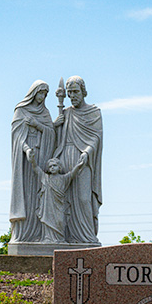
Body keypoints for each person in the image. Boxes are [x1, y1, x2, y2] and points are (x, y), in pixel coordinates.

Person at [52, 76, 102, 244]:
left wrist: (87, 152)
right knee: (65, 199)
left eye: (76, 92)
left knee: (83, 198)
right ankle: (67, 235)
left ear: (83, 92)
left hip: (84, 159)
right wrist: (55, 124)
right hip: (65, 155)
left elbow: (96, 137)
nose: (73, 96)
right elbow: (55, 138)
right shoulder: (66, 113)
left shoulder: (94, 112)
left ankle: (87, 237)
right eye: (70, 93)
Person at [9, 80, 56, 243]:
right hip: (26, 159)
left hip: (41, 157)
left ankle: (40, 232)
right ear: (33, 92)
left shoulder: (45, 112)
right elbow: (17, 137)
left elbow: (51, 133)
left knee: (39, 195)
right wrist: (26, 148)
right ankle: (23, 234)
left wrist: (37, 124)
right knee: (27, 194)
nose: (42, 97)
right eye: (40, 93)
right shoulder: (21, 110)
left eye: (45, 94)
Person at [29, 154, 85, 243]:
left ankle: (60, 239)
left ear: (59, 167)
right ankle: (48, 238)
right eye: (50, 166)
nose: (52, 168)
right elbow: (36, 168)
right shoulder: (45, 177)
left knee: (60, 221)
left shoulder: (63, 178)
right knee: (47, 221)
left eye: (54, 166)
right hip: (48, 205)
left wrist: (78, 165)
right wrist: (32, 160)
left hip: (60, 205)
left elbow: (72, 174)